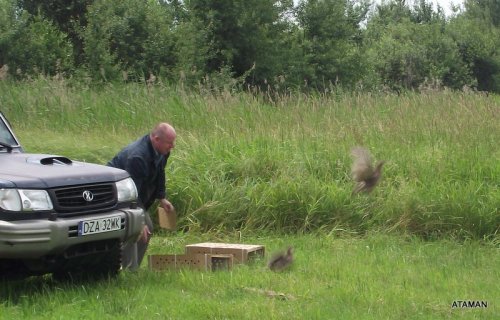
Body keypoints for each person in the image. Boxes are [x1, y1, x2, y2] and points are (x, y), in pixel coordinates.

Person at [107, 123, 176, 270]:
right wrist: (139, 221)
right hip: (116, 193)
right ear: (156, 139)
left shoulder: (163, 151)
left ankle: (132, 267)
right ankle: (126, 270)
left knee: (147, 228)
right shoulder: (138, 157)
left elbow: (160, 173)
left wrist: (161, 197)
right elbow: (131, 192)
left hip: (131, 193)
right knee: (134, 229)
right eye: (169, 143)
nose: (172, 146)